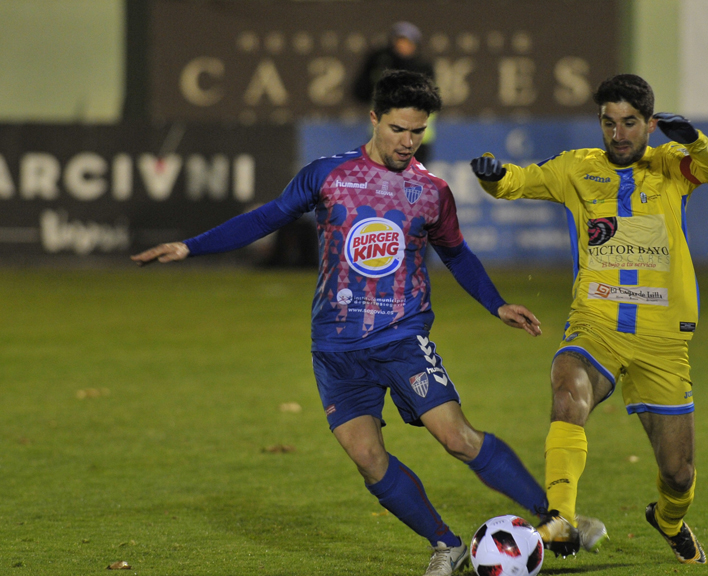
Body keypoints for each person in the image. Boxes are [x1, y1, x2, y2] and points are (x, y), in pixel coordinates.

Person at [133, 70, 549, 576]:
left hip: (401, 336)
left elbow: (456, 254)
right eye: (398, 129)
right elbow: (267, 217)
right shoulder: (329, 175)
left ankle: (552, 518)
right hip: (335, 345)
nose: (408, 141)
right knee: (368, 458)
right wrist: (190, 246)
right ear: (374, 119)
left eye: (418, 131)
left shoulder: (431, 190)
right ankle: (445, 544)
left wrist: (496, 304)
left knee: (457, 437)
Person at [469, 74, 708, 564]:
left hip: (661, 340)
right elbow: (517, 182)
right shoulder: (577, 168)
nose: (618, 133)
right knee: (567, 382)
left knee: (679, 474)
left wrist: (693, 138)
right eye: (609, 122)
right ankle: (561, 517)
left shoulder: (671, 166)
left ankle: (669, 520)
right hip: (597, 323)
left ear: (650, 124)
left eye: (629, 122)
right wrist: (493, 175)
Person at [353, 21, 436, 163]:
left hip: (416, 138)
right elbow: (360, 93)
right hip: (383, 136)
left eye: (408, 42)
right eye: (399, 41)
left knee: (410, 176)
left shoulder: (423, 69)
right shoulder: (380, 66)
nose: (402, 46)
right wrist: (370, 66)